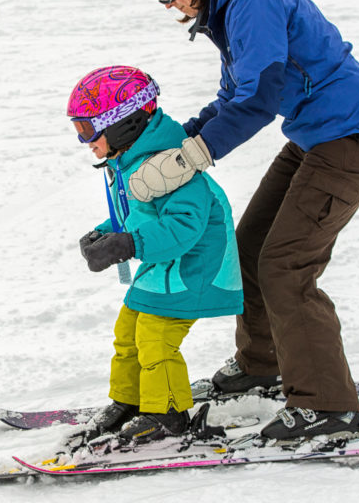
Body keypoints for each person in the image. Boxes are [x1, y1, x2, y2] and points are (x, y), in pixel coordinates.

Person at [129, 0, 359, 443]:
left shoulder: (250, 3)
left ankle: (327, 406)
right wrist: (181, 139)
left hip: (352, 138)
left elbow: (261, 96)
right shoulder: (232, 4)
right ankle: (263, 366)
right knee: (251, 245)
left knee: (286, 266)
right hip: (317, 136)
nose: (166, 4)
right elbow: (235, 95)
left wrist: (193, 157)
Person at [66, 65, 243, 445]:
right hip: (164, 266)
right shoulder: (129, 159)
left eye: (87, 129)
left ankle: (166, 414)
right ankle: (132, 401)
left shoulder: (170, 165)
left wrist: (129, 244)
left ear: (124, 123)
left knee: (155, 337)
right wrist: (108, 233)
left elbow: (184, 226)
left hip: (197, 269)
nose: (85, 141)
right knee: (128, 330)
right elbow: (142, 216)